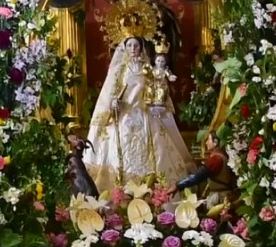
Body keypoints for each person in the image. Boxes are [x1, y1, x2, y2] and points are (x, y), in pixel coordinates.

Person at [83, 36, 195, 190]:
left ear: (141, 47)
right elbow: (109, 93)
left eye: (136, 45)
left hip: (145, 116)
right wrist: (113, 103)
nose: (133, 49)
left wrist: (158, 101)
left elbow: (156, 88)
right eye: (129, 45)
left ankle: (153, 191)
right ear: (125, 48)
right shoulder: (119, 70)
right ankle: (121, 191)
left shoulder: (147, 69)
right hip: (124, 117)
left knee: (157, 151)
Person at [168, 132, 233, 208]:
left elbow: (197, 176)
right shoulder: (222, 156)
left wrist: (178, 185)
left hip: (219, 196)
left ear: (215, 142)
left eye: (208, 140)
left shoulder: (216, 159)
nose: (206, 143)